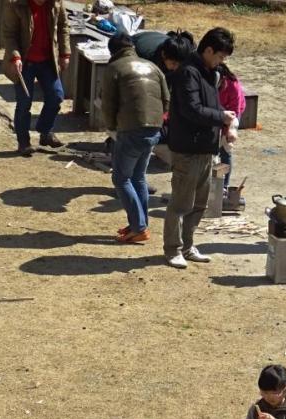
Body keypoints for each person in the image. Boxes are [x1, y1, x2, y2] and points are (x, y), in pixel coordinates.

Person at [162, 27, 238, 269]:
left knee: (199, 203)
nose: (221, 62)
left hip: (206, 148)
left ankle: (187, 245)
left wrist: (224, 124)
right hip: (187, 148)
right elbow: (191, 109)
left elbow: (209, 107)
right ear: (208, 50)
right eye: (220, 56)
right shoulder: (189, 73)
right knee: (181, 203)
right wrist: (221, 117)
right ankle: (172, 248)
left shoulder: (209, 72)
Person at [101, 34, 169, 244]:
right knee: (138, 178)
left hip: (131, 130)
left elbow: (108, 103)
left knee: (121, 178)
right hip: (154, 129)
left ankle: (139, 227)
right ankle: (139, 224)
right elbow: (166, 99)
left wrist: (111, 127)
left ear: (112, 51)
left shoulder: (114, 68)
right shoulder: (152, 66)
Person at [2, 0, 70, 156]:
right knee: (24, 102)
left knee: (56, 96)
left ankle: (45, 132)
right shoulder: (15, 4)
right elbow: (9, 34)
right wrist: (15, 57)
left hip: (48, 59)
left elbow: (63, 27)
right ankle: (23, 142)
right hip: (24, 61)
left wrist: (65, 53)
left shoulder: (56, 3)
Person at [216, 63, 245, 193]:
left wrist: (229, 130)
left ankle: (224, 185)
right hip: (214, 115)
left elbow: (235, 110)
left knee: (226, 149)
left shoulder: (232, 85)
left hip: (231, 115)